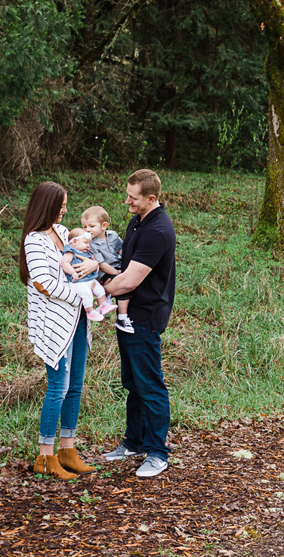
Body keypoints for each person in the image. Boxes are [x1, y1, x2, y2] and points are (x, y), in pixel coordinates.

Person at [19, 181, 100, 480]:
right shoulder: (34, 240)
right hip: (54, 323)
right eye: (62, 204)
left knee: (76, 385)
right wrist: (78, 294)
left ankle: (68, 450)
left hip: (78, 318)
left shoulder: (63, 232)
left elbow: (83, 258)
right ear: (47, 205)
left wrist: (92, 264)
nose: (66, 209)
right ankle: (45, 456)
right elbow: (42, 283)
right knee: (58, 387)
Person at [102, 169, 177, 478]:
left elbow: (130, 279)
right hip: (128, 315)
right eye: (127, 195)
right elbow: (123, 264)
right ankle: (134, 442)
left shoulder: (157, 230)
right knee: (133, 384)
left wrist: (93, 293)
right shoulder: (138, 220)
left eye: (133, 198)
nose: (127, 202)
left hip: (145, 317)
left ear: (151, 198)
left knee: (150, 385)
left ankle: (158, 452)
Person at [81, 206, 135, 334]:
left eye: (91, 226)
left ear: (104, 226)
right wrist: (117, 273)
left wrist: (124, 261)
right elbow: (102, 264)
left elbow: (121, 248)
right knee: (122, 283)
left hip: (118, 267)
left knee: (132, 279)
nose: (87, 230)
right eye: (84, 227)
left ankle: (109, 299)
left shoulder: (113, 235)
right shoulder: (91, 244)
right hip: (105, 273)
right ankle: (122, 317)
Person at [60, 229, 117, 322]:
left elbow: (94, 264)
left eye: (89, 243)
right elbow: (64, 263)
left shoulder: (85, 252)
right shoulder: (70, 251)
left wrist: (93, 261)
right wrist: (72, 272)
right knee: (87, 294)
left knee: (100, 290)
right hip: (78, 282)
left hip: (89, 279)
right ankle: (90, 312)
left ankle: (103, 305)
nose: (88, 245)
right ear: (74, 241)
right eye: (85, 242)